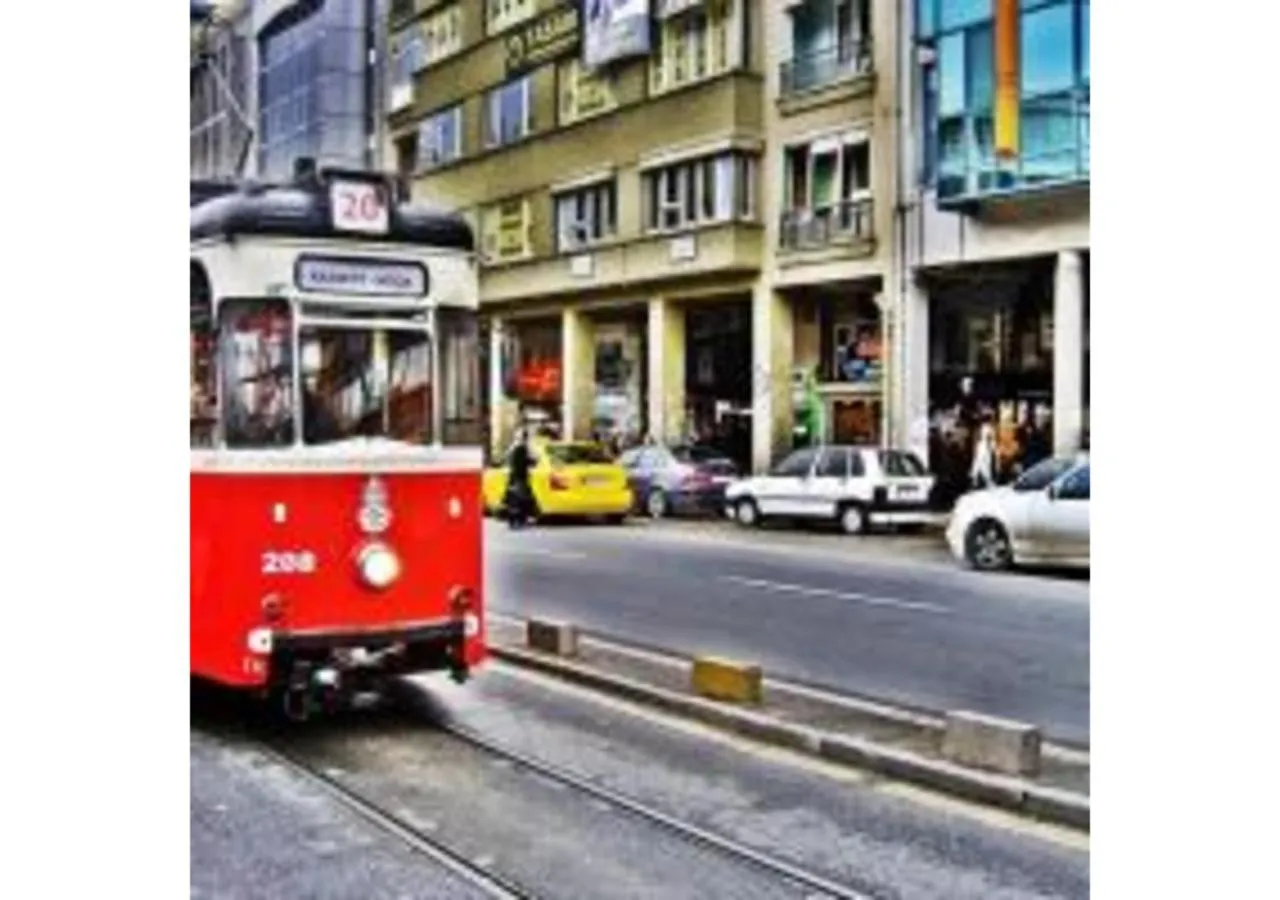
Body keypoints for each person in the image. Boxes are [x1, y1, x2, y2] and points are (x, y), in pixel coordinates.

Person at [505, 428, 535, 529]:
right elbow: (524, 462)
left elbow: (509, 460)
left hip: (514, 477)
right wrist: (532, 461)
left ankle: (515, 520)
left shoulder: (513, 447)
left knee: (515, 499)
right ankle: (518, 520)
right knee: (520, 499)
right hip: (519, 477)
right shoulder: (521, 448)